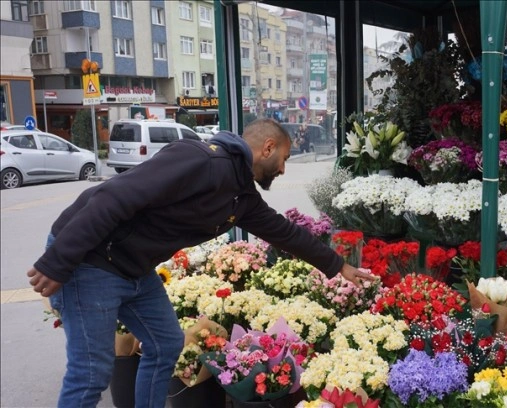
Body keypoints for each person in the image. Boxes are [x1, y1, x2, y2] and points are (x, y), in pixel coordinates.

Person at [26, 118, 374, 408]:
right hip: (92, 258)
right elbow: (112, 196)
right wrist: (58, 261)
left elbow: (284, 232)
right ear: (267, 148)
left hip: (132, 266)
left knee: (165, 346)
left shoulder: (241, 195)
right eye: (284, 157)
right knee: (90, 374)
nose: (284, 168)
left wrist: (338, 266)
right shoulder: (200, 160)